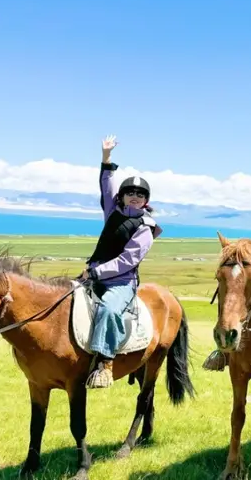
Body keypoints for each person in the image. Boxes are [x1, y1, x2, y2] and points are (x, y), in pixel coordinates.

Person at [80, 135, 162, 389]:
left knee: (108, 309)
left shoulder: (146, 227)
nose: (134, 196)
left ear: (146, 200)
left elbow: (127, 261)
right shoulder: (112, 213)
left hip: (121, 282)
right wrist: (106, 157)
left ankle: (105, 364)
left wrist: (96, 273)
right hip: (92, 273)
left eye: (140, 194)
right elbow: (107, 186)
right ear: (122, 196)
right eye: (129, 193)